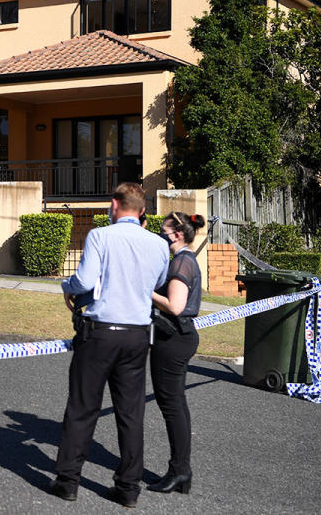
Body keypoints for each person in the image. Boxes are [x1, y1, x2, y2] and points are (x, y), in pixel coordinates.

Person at [49, 182, 169, 508]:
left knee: (83, 407)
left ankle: (68, 480)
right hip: (137, 334)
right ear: (142, 211)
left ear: (114, 205)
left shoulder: (100, 236)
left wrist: (66, 285)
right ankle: (129, 487)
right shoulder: (158, 244)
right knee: (130, 413)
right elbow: (158, 283)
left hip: (101, 331)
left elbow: (85, 281)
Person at [147, 212, 206, 495]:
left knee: (171, 407)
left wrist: (145, 291)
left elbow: (175, 305)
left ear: (178, 234)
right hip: (178, 337)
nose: (161, 234)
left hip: (173, 338)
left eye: (164, 230)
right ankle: (181, 470)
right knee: (175, 406)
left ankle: (180, 470)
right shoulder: (186, 259)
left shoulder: (182, 261)